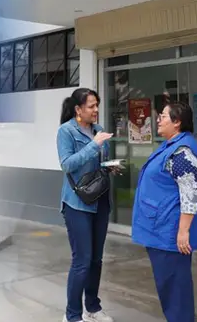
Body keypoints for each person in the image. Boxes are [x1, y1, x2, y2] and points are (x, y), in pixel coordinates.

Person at [131, 102, 197, 322]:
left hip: (170, 232)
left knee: (175, 289)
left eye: (163, 116)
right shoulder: (170, 145)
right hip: (160, 229)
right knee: (169, 286)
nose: (158, 119)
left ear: (177, 121)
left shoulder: (182, 151)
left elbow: (190, 193)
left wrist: (183, 231)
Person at [57, 88, 116, 322]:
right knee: (82, 260)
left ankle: (93, 306)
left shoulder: (98, 130)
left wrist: (110, 166)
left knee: (96, 259)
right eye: (91, 106)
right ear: (78, 110)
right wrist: (93, 145)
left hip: (100, 199)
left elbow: (98, 164)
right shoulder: (66, 131)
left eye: (96, 105)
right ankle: (72, 315)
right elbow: (67, 164)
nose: (96, 110)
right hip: (77, 204)